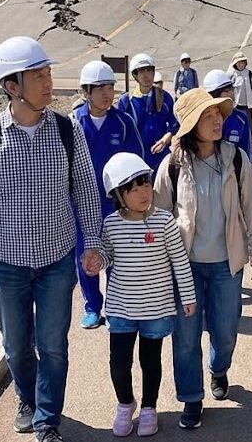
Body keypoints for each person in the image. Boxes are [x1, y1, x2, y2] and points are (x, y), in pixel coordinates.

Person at [0, 36, 103, 442]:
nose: (48, 82)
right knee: (17, 347)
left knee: (53, 346)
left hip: (58, 260)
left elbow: (85, 191)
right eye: (38, 75)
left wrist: (91, 241)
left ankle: (47, 421)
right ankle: (26, 396)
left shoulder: (66, 129)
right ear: (11, 85)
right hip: (7, 264)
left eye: (49, 73)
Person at [154, 88, 252, 430]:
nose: (218, 119)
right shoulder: (173, 164)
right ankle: (190, 397)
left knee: (226, 330)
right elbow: (160, 213)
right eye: (208, 115)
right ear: (191, 125)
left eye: (218, 113)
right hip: (185, 265)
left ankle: (218, 369)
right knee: (186, 337)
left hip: (226, 263)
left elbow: (251, 203)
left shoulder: (235, 157)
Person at [82, 153, 197, 437]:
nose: (144, 192)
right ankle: (125, 404)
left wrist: (188, 296)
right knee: (119, 363)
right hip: (121, 308)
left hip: (156, 309)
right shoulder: (110, 224)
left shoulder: (164, 222)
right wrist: (99, 261)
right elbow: (109, 256)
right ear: (118, 195)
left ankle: (148, 408)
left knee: (150, 361)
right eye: (133, 188)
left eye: (145, 184)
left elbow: (179, 260)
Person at [72, 61, 145, 329]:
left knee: (118, 254)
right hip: (81, 204)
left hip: (114, 203)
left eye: (110, 87)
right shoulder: (73, 124)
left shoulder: (123, 122)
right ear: (86, 92)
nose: (107, 93)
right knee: (86, 256)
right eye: (100, 87)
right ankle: (92, 306)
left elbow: (137, 159)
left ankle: (117, 306)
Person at [117, 53, 179, 172]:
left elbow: (174, 125)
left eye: (149, 70)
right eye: (141, 71)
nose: (147, 75)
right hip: (135, 160)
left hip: (161, 158)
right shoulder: (126, 101)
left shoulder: (165, 98)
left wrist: (165, 140)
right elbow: (121, 131)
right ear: (135, 75)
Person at [202, 69, 252, 158]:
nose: (232, 93)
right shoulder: (201, 119)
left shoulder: (241, 119)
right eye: (226, 91)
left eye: (231, 89)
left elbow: (247, 153)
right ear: (214, 95)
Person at [227, 51, 252, 141]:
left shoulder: (249, 74)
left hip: (247, 105)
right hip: (236, 105)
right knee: (236, 124)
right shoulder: (231, 75)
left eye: (243, 62)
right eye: (239, 62)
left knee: (249, 124)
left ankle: (250, 142)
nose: (241, 64)